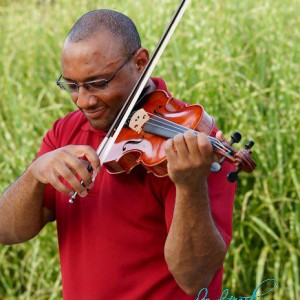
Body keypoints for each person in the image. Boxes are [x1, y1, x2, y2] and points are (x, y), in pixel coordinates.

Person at [0, 9, 236, 300]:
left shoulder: (193, 144)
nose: (84, 101)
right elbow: (6, 230)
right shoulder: (66, 131)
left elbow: (195, 278)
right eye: (72, 86)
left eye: (98, 84)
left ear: (140, 63)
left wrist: (190, 186)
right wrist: (34, 174)